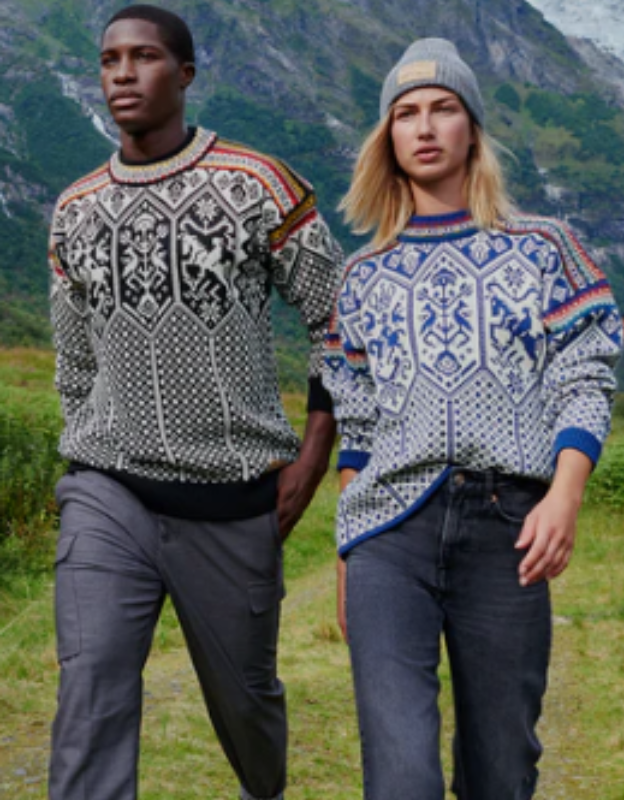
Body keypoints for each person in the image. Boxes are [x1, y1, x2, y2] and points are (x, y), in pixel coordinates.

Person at [46, 6, 343, 799]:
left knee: (247, 707)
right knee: (91, 690)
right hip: (107, 489)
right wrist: (84, 461)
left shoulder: (259, 186)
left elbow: (338, 322)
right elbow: (73, 364)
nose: (122, 73)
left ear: (184, 74)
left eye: (143, 58)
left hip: (234, 499)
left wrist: (312, 457)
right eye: (110, 59)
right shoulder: (74, 210)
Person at [322, 37, 623, 800]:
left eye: (443, 109)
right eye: (407, 114)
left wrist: (566, 494)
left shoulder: (546, 249)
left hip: (507, 526)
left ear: (472, 130)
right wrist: (346, 549)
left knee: (500, 768)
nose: (424, 127)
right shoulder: (360, 279)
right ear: (387, 139)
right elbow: (354, 423)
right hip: (388, 535)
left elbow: (587, 376)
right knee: (401, 775)